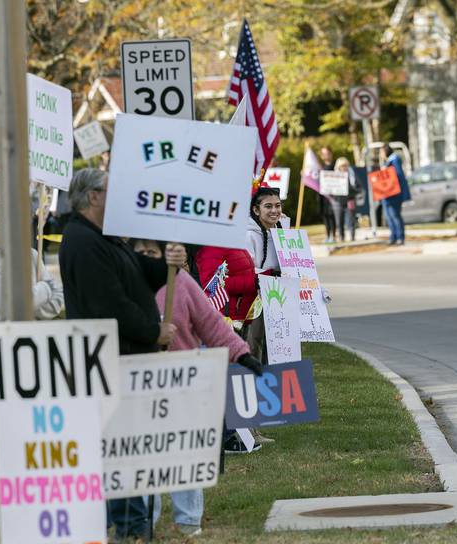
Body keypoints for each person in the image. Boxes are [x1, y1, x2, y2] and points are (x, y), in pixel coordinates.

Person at [58, 168, 185, 540]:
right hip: (109, 358)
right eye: (112, 189)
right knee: (119, 445)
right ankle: (129, 525)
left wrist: (170, 261)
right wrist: (153, 331)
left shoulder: (106, 236)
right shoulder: (82, 241)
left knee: (125, 443)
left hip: (125, 355)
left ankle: (129, 521)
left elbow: (142, 275)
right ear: (93, 196)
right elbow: (109, 304)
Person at [133, 239, 264, 537]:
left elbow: (211, 323)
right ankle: (144, 522)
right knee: (144, 456)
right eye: (140, 252)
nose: (146, 257)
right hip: (140, 387)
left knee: (185, 454)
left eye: (152, 252)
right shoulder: (125, 283)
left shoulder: (181, 283)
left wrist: (242, 354)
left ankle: (189, 522)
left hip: (183, 383)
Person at [0, 201, 64, 519]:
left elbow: (56, 302)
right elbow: (11, 302)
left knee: (26, 430)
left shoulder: (30, 256)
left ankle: (26, 496)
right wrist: (40, 290)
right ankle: (1, 505)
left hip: (25, 354)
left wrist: (36, 294)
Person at [245, 186, 289, 362]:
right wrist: (269, 274)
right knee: (255, 340)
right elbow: (246, 269)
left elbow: (297, 264)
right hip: (256, 298)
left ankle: (275, 374)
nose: (274, 211)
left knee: (279, 342)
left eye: (278, 206)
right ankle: (254, 374)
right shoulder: (249, 235)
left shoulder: (283, 233)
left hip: (280, 295)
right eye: (268, 206)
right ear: (256, 210)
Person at [381, 144, 411, 245]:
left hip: (394, 194)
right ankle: (393, 236)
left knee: (395, 215)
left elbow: (398, 175)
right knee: (389, 216)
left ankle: (400, 237)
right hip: (387, 195)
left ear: (385, 152)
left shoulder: (394, 161)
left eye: (381, 152)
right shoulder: (387, 163)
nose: (380, 154)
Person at [333, 157, 361, 242]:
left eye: (345, 165)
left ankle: (352, 237)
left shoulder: (352, 175)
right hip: (338, 201)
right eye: (342, 166)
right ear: (338, 167)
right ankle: (341, 237)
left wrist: (352, 190)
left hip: (350, 200)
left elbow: (359, 187)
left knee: (351, 219)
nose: (344, 168)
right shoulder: (334, 177)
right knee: (339, 221)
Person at [319, 146, 336, 243]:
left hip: (333, 196)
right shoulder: (320, 167)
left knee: (332, 215)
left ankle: (333, 236)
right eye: (324, 154)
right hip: (323, 196)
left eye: (327, 153)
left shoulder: (335, 166)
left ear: (331, 154)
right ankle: (328, 235)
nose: (326, 155)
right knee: (325, 215)